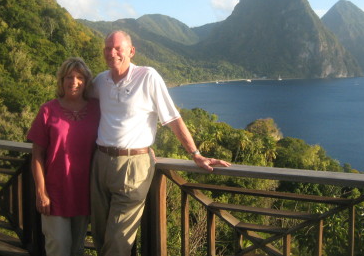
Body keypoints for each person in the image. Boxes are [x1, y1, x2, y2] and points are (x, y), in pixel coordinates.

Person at [91, 30, 231, 255]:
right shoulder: (100, 81)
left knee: (118, 239)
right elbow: (81, 106)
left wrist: (195, 153)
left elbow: (172, 118)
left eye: (118, 48)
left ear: (131, 51)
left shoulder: (147, 76)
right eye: (108, 48)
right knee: (100, 232)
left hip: (133, 165)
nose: (112, 52)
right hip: (99, 162)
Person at [28, 57, 100, 256]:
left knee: (77, 249)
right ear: (61, 80)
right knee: (58, 246)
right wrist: (41, 192)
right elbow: (37, 155)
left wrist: (145, 147)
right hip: (55, 192)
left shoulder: (97, 109)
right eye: (69, 77)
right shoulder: (48, 110)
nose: (74, 82)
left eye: (79, 77)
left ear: (86, 82)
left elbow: (119, 129)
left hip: (85, 191)